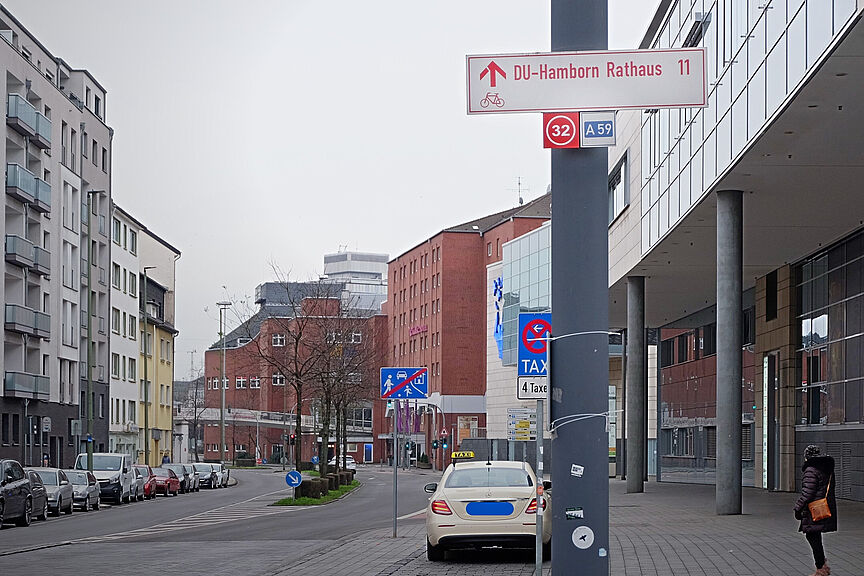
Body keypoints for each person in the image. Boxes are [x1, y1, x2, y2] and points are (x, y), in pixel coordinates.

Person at [794, 445, 836, 576]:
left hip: (813, 509)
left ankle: (821, 568)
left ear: (806, 457)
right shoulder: (826, 468)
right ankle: (822, 566)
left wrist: (797, 508)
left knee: (813, 537)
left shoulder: (811, 470)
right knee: (815, 537)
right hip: (823, 507)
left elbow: (807, 493)